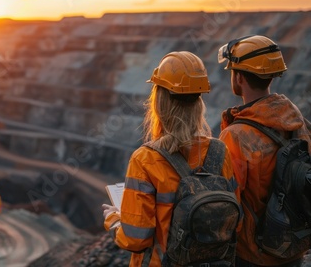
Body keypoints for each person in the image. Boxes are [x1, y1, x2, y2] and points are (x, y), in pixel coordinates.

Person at [102, 51, 239, 266]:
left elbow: (136, 238)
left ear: (159, 101)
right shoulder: (219, 152)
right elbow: (234, 221)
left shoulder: (145, 159)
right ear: (198, 102)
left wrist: (114, 219)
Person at [217, 35, 311, 266]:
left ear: (238, 77)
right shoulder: (303, 126)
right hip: (294, 247)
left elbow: (227, 205)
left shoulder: (236, 137)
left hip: (253, 255)